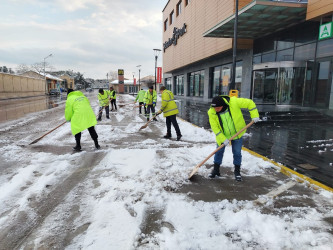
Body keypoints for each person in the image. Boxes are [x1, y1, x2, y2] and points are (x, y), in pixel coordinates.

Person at [208, 95, 260, 181]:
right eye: (214, 108)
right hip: (223, 136)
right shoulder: (211, 112)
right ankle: (216, 170)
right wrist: (222, 138)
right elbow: (215, 128)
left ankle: (237, 172)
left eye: (218, 108)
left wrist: (254, 115)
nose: (216, 110)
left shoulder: (234, 102)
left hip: (237, 134)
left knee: (237, 153)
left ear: (223, 105)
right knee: (218, 152)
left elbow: (250, 103)